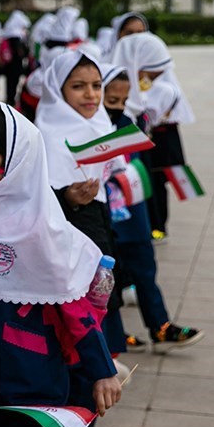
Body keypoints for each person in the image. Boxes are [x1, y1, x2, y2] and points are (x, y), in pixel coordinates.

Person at [0, 102, 121, 427]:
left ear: (13, 168)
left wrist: (102, 371)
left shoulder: (41, 230)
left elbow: (74, 306)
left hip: (28, 382)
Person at [34, 50, 134, 393]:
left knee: (103, 294)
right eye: (78, 86)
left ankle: (102, 364)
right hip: (68, 229)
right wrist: (69, 197)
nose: (91, 95)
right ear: (57, 90)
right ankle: (82, 374)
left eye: (96, 85)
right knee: (76, 305)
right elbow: (36, 198)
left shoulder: (99, 122)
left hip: (98, 221)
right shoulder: (44, 135)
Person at [101, 64, 205, 353]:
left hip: (134, 214)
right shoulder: (91, 128)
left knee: (145, 269)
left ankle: (160, 326)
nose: (119, 108)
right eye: (111, 101)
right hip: (105, 218)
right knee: (109, 280)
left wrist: (152, 218)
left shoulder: (127, 125)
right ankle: (114, 332)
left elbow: (144, 173)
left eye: (123, 101)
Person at [111, 32, 195, 244]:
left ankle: (155, 229)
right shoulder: (115, 110)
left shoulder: (139, 102)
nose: (149, 82)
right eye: (148, 74)